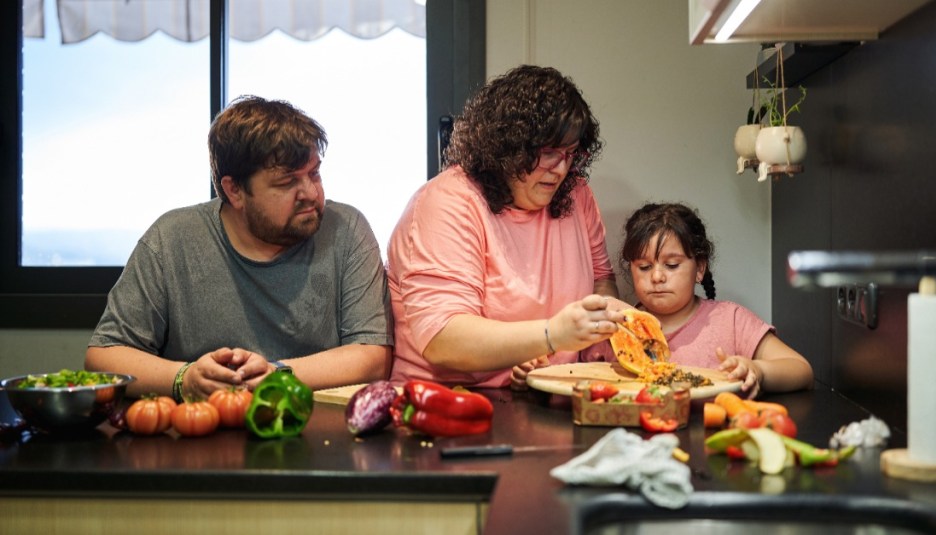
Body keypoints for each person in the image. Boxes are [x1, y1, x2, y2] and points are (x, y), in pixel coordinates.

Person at [85, 95, 393, 400]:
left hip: (313, 428)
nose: (310, 193)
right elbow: (103, 358)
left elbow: (372, 357)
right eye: (287, 182)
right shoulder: (171, 240)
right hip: (198, 427)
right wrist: (184, 378)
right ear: (235, 191)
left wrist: (274, 375)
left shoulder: (346, 229)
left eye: (314, 173)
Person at [387, 65, 626, 389]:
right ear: (507, 147)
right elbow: (444, 339)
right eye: (548, 153)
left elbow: (602, 280)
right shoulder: (448, 202)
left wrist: (605, 311)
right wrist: (551, 335)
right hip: (452, 400)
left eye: (571, 154)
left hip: (549, 391)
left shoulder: (577, 193)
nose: (561, 169)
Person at [610, 202, 813, 398]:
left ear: (699, 268)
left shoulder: (731, 320)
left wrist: (758, 370)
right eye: (644, 267)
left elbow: (801, 369)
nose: (656, 277)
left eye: (671, 265)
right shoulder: (614, 326)